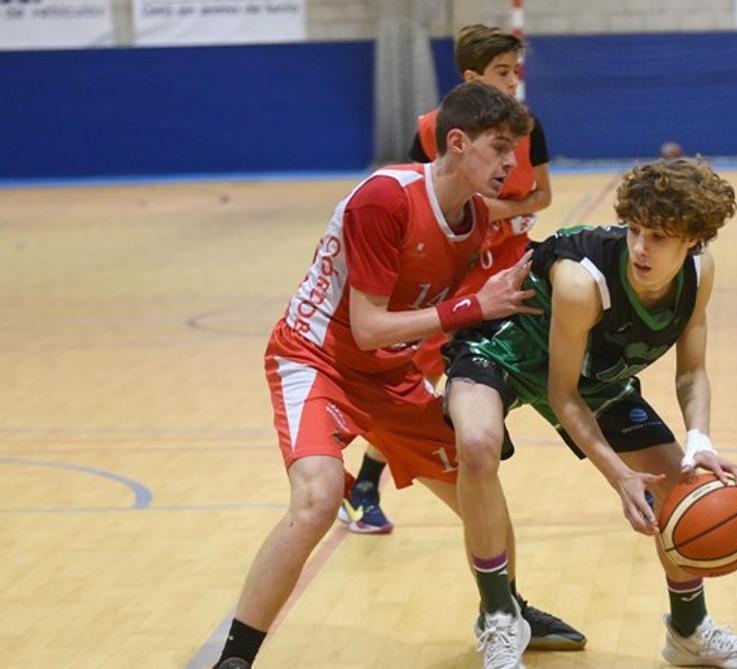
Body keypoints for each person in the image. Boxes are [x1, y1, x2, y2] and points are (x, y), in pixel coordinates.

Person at [212, 81, 573, 669]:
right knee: (319, 498)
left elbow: (446, 318)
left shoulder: (475, 217)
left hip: (390, 375)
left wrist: (483, 385)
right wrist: (475, 307)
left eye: (516, 150)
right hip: (317, 358)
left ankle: (506, 612)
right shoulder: (385, 198)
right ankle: (235, 657)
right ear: (457, 143)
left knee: (482, 494)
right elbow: (371, 325)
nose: (513, 162)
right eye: (501, 146)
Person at [442, 158, 737, 668]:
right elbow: (562, 394)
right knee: (476, 443)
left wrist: (700, 443)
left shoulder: (698, 273)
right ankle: (498, 618)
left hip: (593, 371)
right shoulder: (583, 281)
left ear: (692, 239)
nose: (641, 247)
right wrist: (619, 475)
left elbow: (691, 375)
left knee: (680, 484)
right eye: (635, 231)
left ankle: (688, 633)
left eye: (659, 236)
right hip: (507, 350)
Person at [342, 23, 552, 537]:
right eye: (502, 72)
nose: (512, 82)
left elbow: (542, 196)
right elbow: (429, 204)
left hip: (508, 271)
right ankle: (366, 483)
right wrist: (490, 212)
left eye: (515, 71)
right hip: (456, 273)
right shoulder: (436, 130)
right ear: (471, 77)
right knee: (420, 376)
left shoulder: (527, 127)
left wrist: (491, 212)